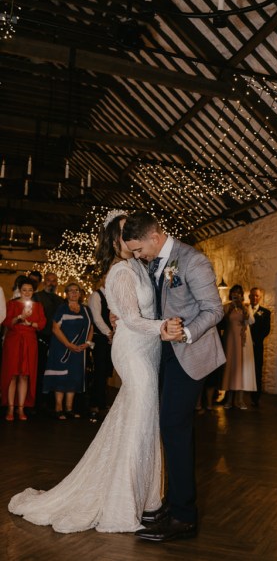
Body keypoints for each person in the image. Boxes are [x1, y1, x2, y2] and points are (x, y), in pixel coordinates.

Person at [9, 210, 181, 533]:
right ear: (115, 240)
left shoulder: (139, 265)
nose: (129, 233)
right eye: (122, 230)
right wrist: (163, 327)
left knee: (139, 421)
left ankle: (146, 499)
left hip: (148, 348)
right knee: (139, 423)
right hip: (134, 351)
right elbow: (130, 318)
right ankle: (123, 504)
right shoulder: (118, 271)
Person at [122, 211, 226, 543]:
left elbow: (214, 309)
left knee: (173, 428)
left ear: (154, 237)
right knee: (171, 428)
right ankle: (173, 504)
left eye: (139, 249)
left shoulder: (192, 260)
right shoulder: (155, 263)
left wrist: (186, 334)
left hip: (190, 353)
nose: (139, 256)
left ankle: (184, 516)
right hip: (166, 354)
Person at [42, 282, 93, 420]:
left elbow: (91, 327)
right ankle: (59, 408)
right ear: (66, 294)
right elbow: (55, 328)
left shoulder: (86, 310)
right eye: (71, 291)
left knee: (74, 377)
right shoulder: (62, 308)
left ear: (80, 293)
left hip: (79, 349)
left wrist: (87, 343)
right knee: (61, 377)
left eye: (76, 290)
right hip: (61, 347)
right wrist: (68, 344)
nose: (74, 293)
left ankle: (69, 408)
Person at [1, 277, 46, 420]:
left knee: (25, 375)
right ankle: (10, 408)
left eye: (30, 290)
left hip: (30, 341)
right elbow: (7, 322)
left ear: (34, 291)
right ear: (19, 291)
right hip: (14, 341)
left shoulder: (38, 306)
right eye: (24, 290)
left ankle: (21, 409)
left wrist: (29, 323)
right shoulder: (12, 304)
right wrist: (19, 317)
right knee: (12, 374)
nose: (27, 293)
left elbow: (42, 324)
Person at [222, 284, 256, 410]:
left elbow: (251, 321)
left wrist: (245, 308)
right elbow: (221, 321)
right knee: (231, 367)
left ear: (242, 295)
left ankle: (240, 400)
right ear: (231, 294)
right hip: (230, 340)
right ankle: (229, 400)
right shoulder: (226, 306)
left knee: (241, 368)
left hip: (242, 341)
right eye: (234, 293)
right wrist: (230, 310)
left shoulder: (245, 307)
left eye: (239, 293)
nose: (236, 295)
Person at [32, 272, 64, 410]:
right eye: (49, 280)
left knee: (53, 371)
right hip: (39, 338)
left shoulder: (60, 300)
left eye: (54, 280)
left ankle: (50, 401)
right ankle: (36, 401)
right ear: (44, 282)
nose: (51, 283)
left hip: (56, 340)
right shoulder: (37, 297)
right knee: (39, 370)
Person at [87, 276, 114, 422]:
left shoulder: (112, 296)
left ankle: (102, 402)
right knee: (99, 371)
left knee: (105, 372)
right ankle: (94, 405)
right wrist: (109, 333)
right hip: (100, 338)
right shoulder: (96, 295)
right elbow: (97, 318)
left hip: (110, 339)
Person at [249, 287, 271, 407]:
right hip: (244, 346)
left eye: (257, 296)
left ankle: (256, 397)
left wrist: (255, 340)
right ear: (249, 297)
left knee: (257, 370)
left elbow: (266, 330)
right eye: (252, 295)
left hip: (257, 346)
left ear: (260, 297)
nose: (254, 298)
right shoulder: (244, 309)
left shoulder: (266, 312)